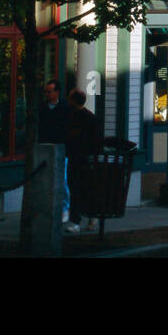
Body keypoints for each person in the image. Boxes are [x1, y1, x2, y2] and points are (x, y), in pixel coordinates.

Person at [65, 89, 101, 233]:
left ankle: (76, 221)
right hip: (85, 158)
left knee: (77, 189)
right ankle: (91, 216)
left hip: (77, 157)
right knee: (84, 189)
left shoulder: (72, 117)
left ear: (73, 100)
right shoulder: (90, 117)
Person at [39, 81, 71, 226]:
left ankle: (64, 208)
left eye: (49, 91)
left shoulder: (64, 108)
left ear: (57, 92)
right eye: (46, 92)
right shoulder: (42, 108)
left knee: (63, 180)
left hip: (61, 148)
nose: (47, 94)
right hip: (45, 147)